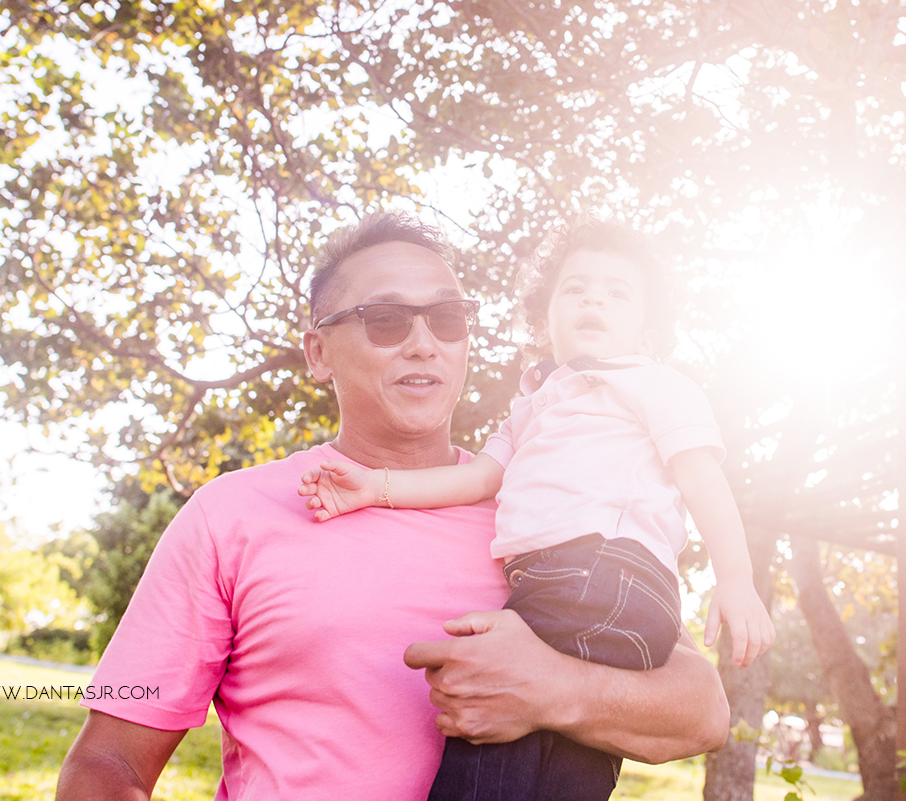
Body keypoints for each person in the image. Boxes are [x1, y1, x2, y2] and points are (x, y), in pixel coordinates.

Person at [55, 213, 731, 801]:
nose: (423, 342)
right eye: (384, 319)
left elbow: (700, 711)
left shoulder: (546, 511)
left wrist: (558, 688)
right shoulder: (228, 515)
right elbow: (108, 758)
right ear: (318, 351)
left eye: (446, 319)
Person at [299, 217, 775, 801]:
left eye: (617, 293)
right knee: (569, 748)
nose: (593, 299)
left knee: (489, 692)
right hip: (556, 580)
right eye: (575, 288)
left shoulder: (653, 382)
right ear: (544, 320)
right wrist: (375, 488)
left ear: (648, 333)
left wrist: (736, 580)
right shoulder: (533, 405)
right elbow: (475, 478)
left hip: (604, 569)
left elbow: (702, 478)